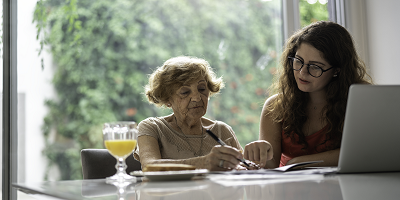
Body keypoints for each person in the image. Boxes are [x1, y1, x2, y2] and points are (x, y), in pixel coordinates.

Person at [244, 21, 372, 169]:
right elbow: (270, 166)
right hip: (288, 188)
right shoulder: (276, 106)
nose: (302, 72)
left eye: (315, 66)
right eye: (298, 61)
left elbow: (366, 152)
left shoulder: (361, 99)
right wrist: (261, 152)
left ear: (337, 70)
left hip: (343, 189)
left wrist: (298, 162)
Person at [134, 56, 244, 171]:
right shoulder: (152, 127)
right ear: (167, 99)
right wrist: (203, 163)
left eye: (202, 89)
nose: (197, 98)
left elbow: (245, 168)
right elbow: (149, 167)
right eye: (185, 92)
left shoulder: (222, 131)